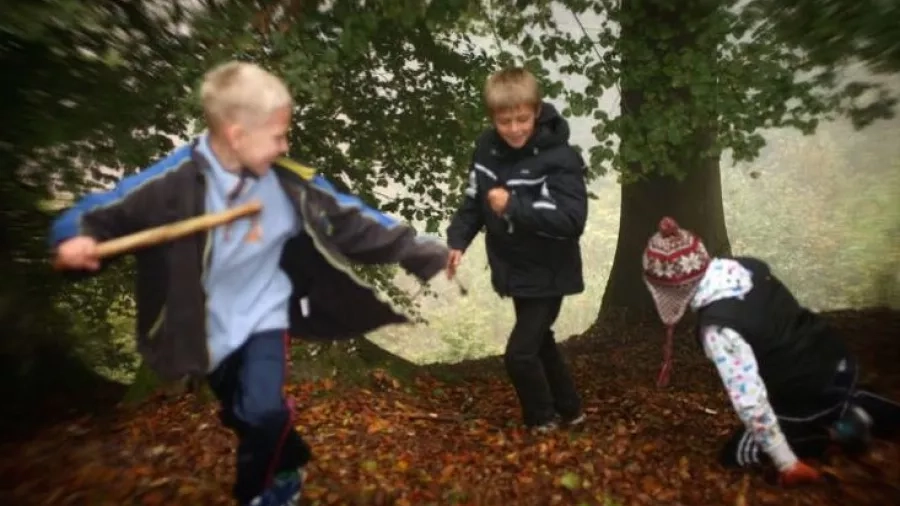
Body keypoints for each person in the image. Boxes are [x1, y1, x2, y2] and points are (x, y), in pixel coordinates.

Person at [49, 61, 449, 506]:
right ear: (238, 136)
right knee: (243, 413)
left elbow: (352, 220)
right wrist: (75, 236)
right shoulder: (174, 183)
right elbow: (103, 209)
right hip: (201, 327)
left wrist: (420, 251)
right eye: (277, 135)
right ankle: (288, 454)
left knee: (260, 408)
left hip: (264, 317)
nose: (286, 143)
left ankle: (262, 492)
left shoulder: (287, 180)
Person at [641, 216, 900, 486]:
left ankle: (836, 430)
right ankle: (858, 406)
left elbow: (750, 399)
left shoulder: (719, 328)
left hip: (805, 390)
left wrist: (786, 462)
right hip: (837, 361)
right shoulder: (744, 268)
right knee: (831, 392)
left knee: (735, 455)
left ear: (671, 289)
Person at [445, 67, 587, 433]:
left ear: (536, 111)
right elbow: (475, 201)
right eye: (505, 121)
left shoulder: (561, 158)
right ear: (493, 118)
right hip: (513, 267)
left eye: (522, 119)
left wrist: (512, 207)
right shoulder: (485, 150)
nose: (514, 129)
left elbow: (572, 220)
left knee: (520, 354)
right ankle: (571, 410)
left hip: (550, 269)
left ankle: (542, 421)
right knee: (540, 342)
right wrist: (458, 241)